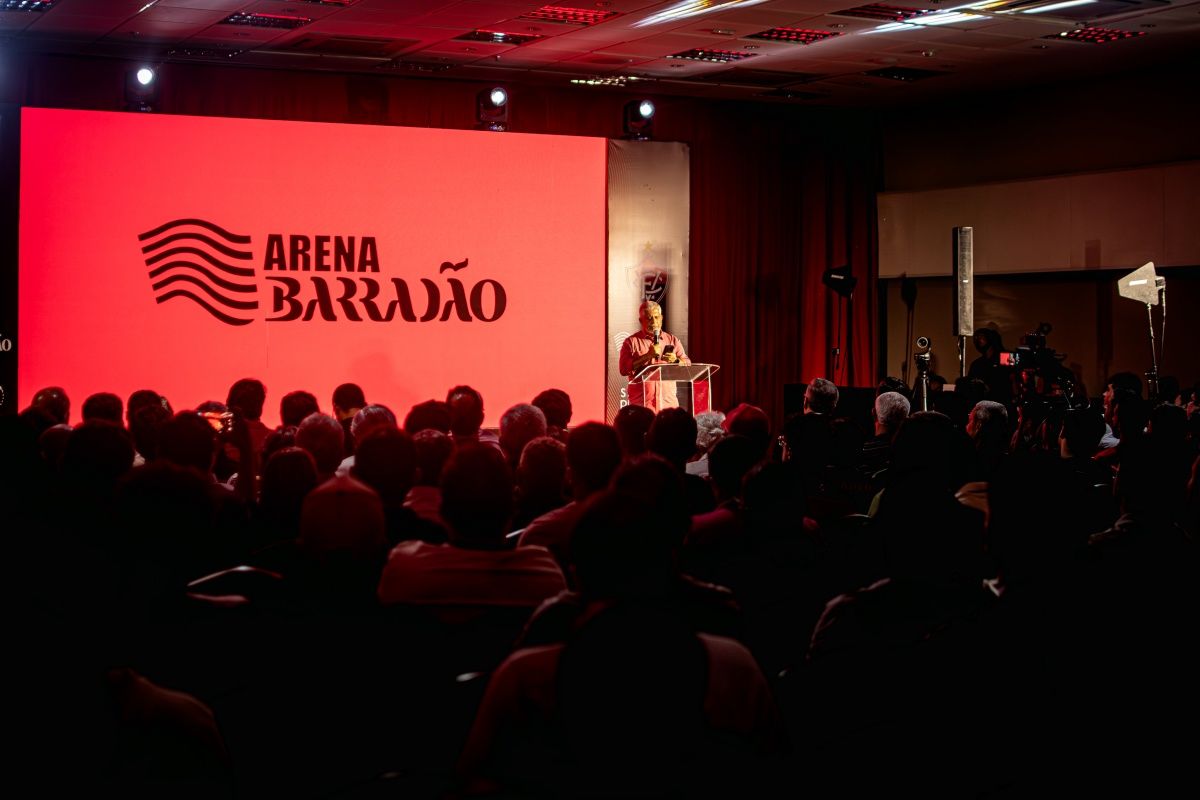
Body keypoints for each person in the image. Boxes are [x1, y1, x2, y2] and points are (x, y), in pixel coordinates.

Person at [619, 300, 691, 411]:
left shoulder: (672, 340)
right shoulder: (631, 342)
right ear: (640, 320)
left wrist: (676, 361)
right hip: (642, 408)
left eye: (657, 317)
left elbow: (688, 364)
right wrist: (648, 356)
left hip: (668, 407)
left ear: (661, 318)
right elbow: (623, 369)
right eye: (649, 318)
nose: (654, 322)